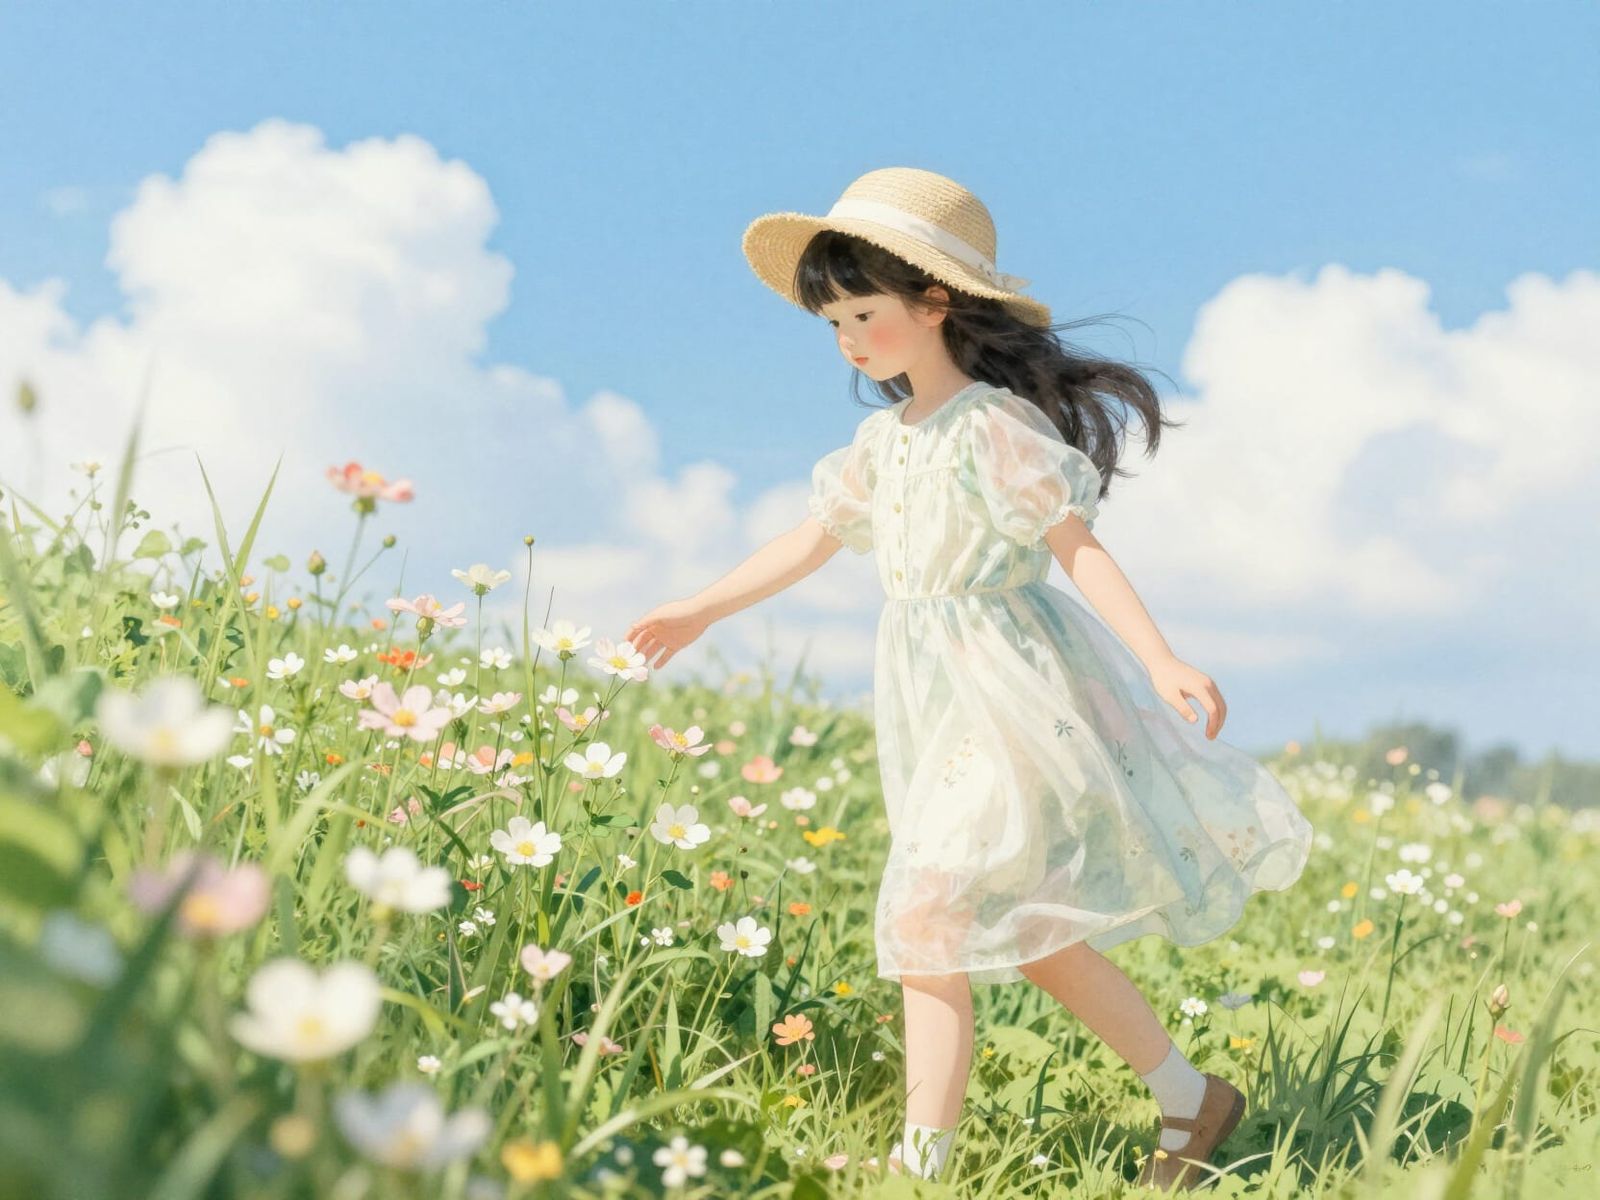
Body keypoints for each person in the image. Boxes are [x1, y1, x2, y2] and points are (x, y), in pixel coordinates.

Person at [625, 166, 1313, 1191]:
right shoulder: (877, 444)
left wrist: (1161, 655)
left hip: (1017, 694)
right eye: (832, 320)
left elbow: (1075, 548)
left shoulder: (990, 425)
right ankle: (1189, 1098)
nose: (850, 337)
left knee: (928, 918)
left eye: (865, 311)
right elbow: (809, 543)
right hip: (933, 706)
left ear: (935, 302)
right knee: (1023, 931)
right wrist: (701, 606)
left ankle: (920, 1168)